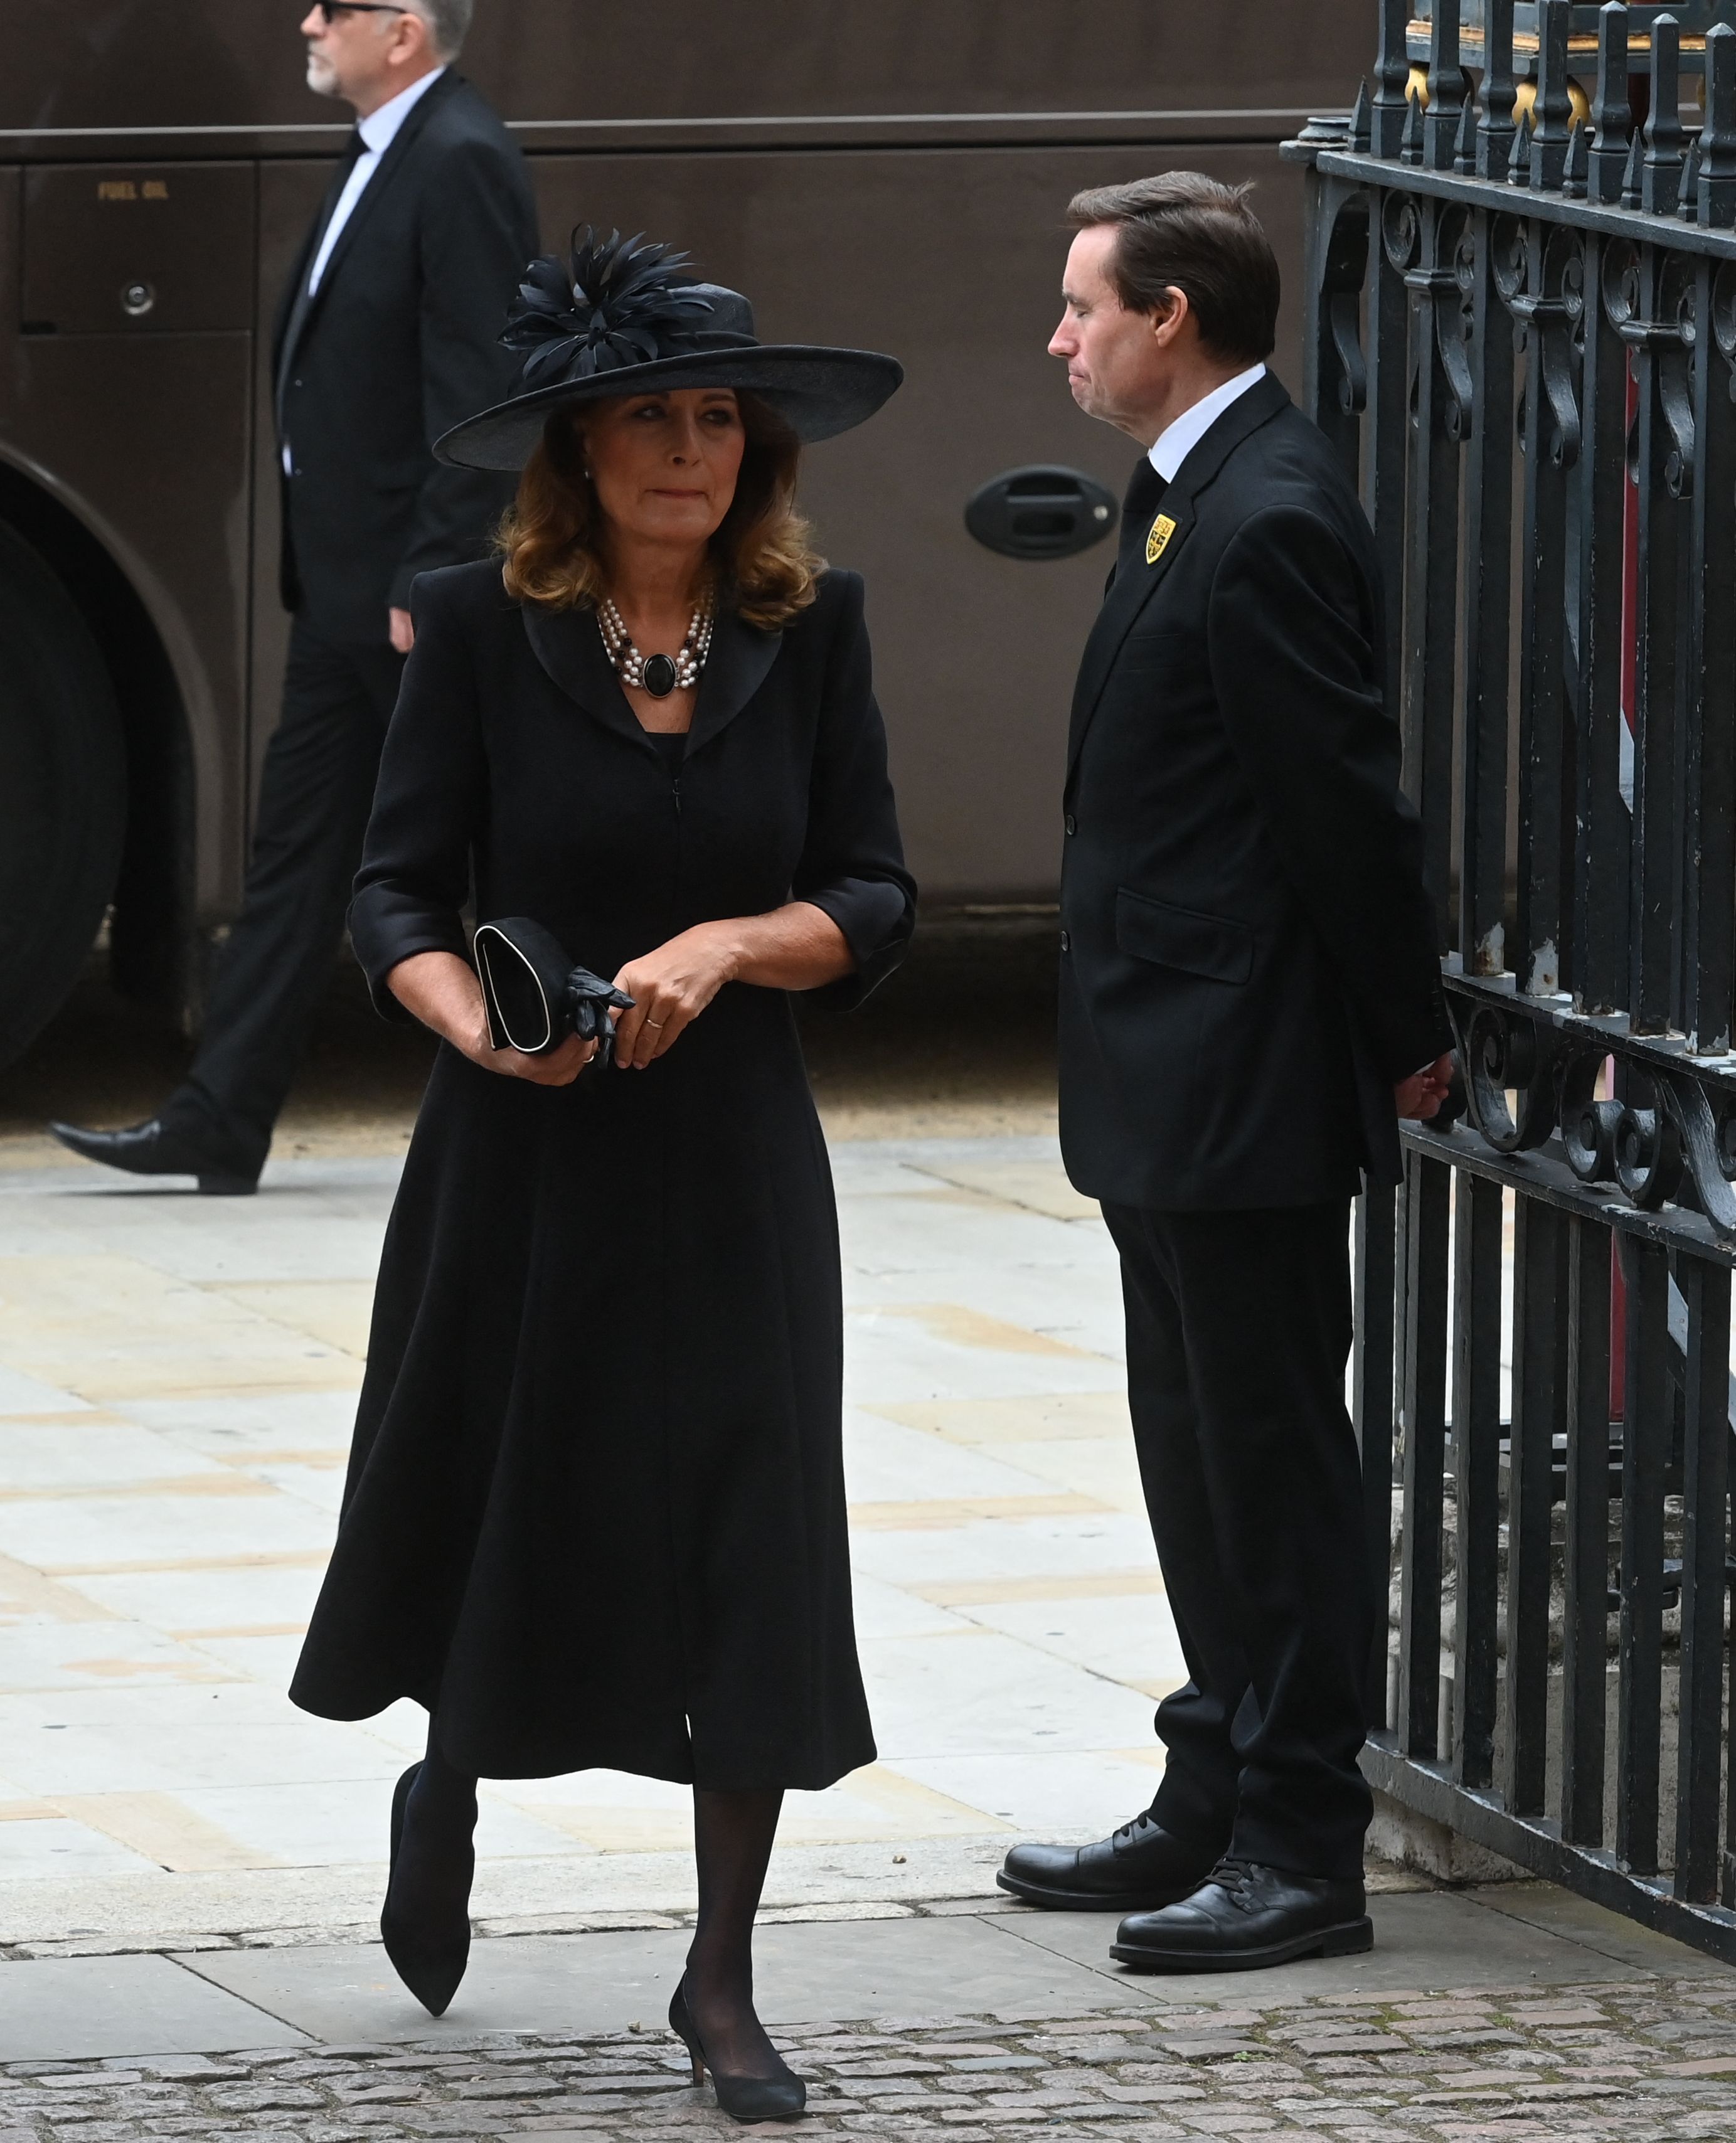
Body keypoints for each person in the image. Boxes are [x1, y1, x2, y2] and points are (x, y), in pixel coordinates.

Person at [289, 230, 908, 2125]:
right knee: (503, 1496)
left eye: (715, 419)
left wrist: (731, 942)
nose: (687, 451)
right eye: (648, 419)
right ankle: (446, 1781)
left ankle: (715, 1973)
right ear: (577, 453)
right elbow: (387, 891)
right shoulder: (480, 630)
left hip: (732, 1164)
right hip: (520, 1150)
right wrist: (472, 1020)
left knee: (748, 1540)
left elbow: (873, 892)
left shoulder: (812, 625)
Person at [994, 173, 1450, 1972]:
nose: (1060, 337)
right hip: (1161, 1065)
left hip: (1240, 1069)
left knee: (1271, 1468)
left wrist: (1405, 1036)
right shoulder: (1189, 497)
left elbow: (1344, 813)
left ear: (1170, 319)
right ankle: (1212, 1784)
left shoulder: (1267, 518)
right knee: (1193, 1459)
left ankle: (1299, 1844)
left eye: (1082, 306)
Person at [51, 0, 531, 1194]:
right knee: (298, 857)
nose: (308, 22)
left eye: (338, 6)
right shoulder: (381, 147)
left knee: (490, 853)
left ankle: (567, 1086)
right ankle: (222, 1115)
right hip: (343, 589)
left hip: (406, 589)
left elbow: (480, 386)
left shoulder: (463, 158)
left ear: (407, 30)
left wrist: (435, 569)